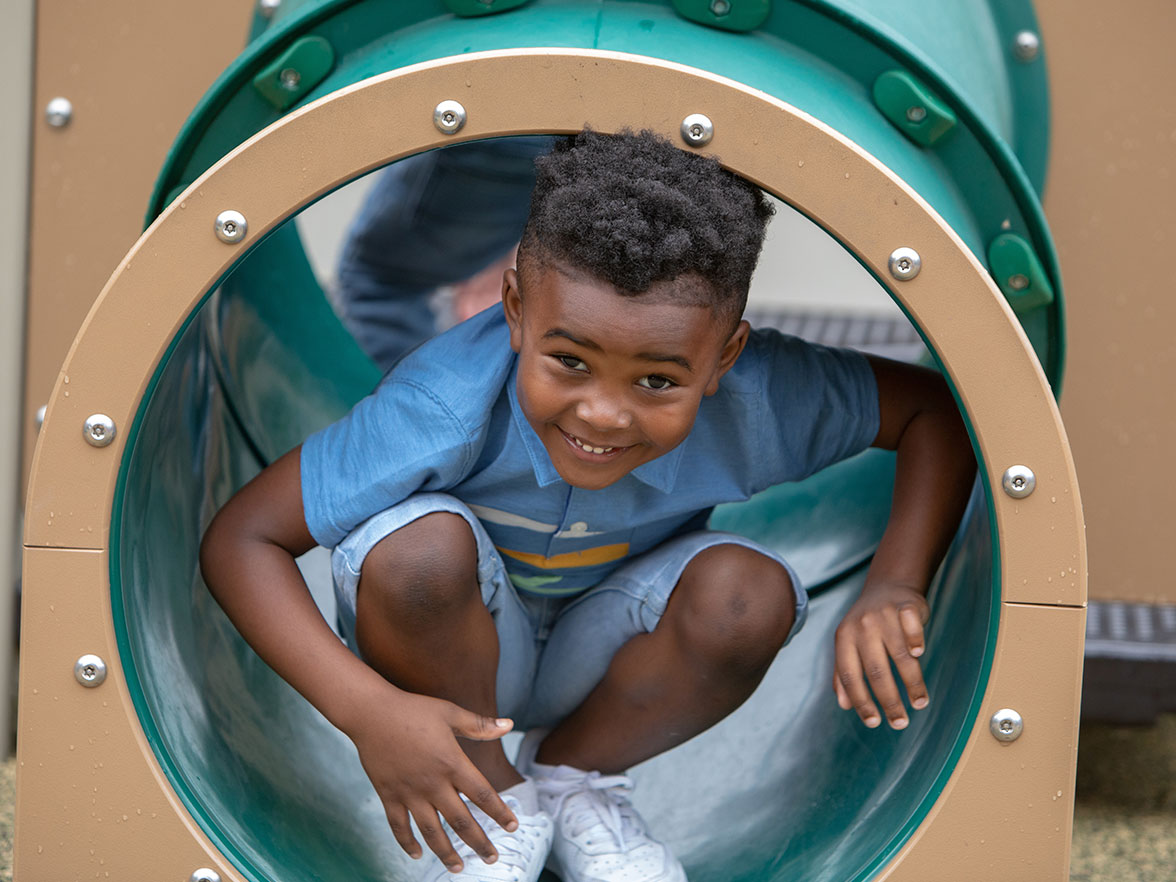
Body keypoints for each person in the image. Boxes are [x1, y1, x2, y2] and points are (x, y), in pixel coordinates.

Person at [200, 129, 975, 882]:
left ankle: (575, 776)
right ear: (513, 309)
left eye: (658, 381)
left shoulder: (763, 397)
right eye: (569, 361)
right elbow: (244, 539)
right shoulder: (443, 403)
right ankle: (493, 796)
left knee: (749, 596)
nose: (603, 414)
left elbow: (939, 410)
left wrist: (894, 584)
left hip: (605, 645)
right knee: (415, 552)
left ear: (725, 357)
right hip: (454, 649)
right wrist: (364, 709)